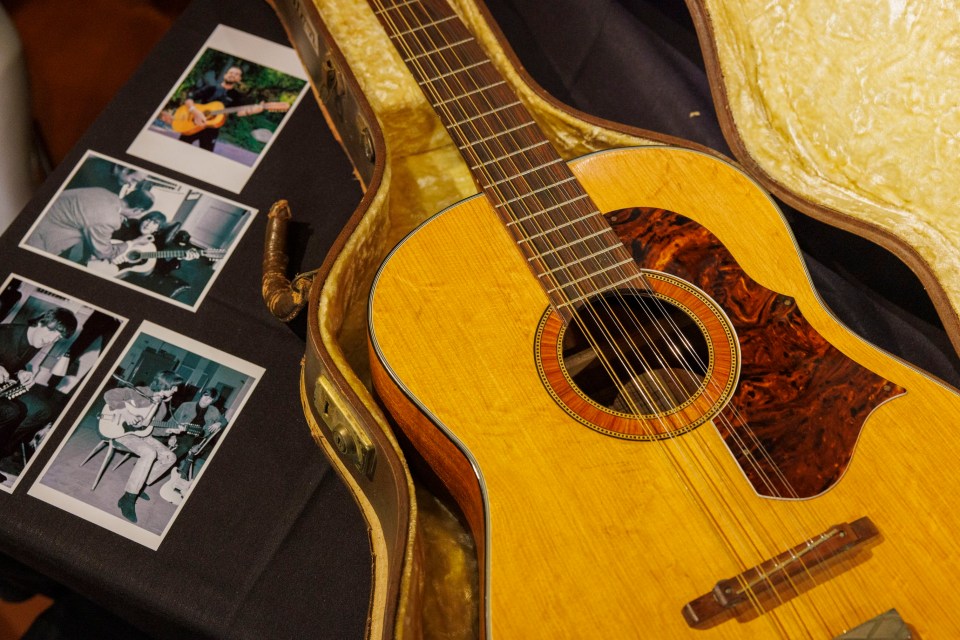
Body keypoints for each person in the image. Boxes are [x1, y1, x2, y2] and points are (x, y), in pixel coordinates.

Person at [100, 370, 185, 523]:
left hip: (141, 434)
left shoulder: (163, 407)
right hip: (121, 432)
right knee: (149, 453)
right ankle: (128, 498)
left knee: (170, 457)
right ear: (167, 384)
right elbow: (109, 395)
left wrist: (170, 430)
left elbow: (152, 428)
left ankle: (138, 485)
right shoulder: (142, 392)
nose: (176, 390)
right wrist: (126, 414)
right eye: (174, 387)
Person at [0, 308, 78, 473]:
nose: (51, 340)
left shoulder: (36, 340)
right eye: (52, 332)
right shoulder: (4, 333)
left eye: (57, 338)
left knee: (43, 410)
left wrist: (21, 371)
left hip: (4, 388)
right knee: (13, 411)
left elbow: (12, 360)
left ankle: (3, 451)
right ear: (41, 322)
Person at [25, 185, 156, 264]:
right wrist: (134, 243)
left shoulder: (104, 192)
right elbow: (103, 253)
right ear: (138, 210)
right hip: (36, 239)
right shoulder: (110, 219)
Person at [160, 388, 224, 502]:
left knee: (194, 448)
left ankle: (169, 466)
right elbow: (172, 421)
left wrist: (219, 422)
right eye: (205, 395)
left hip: (198, 438)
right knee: (185, 446)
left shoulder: (214, 411)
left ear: (213, 401)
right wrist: (172, 436)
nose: (206, 399)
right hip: (181, 434)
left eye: (210, 399)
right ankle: (163, 463)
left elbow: (225, 421)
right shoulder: (186, 405)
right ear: (201, 394)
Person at [177, 66, 263, 151]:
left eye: (236, 74)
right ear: (225, 75)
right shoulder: (211, 87)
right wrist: (195, 112)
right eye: (231, 72)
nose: (232, 75)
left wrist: (253, 111)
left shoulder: (237, 96)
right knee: (178, 149)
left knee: (205, 156)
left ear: (239, 79)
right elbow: (189, 98)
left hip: (212, 130)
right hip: (194, 123)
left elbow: (239, 113)